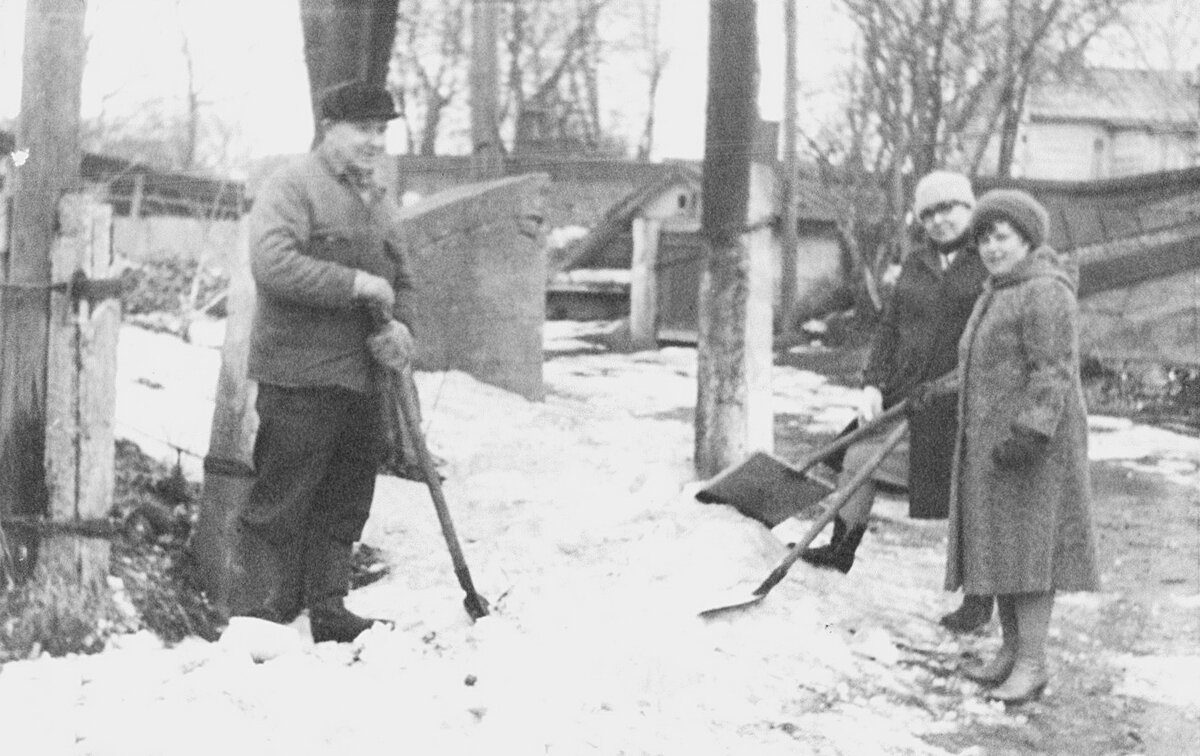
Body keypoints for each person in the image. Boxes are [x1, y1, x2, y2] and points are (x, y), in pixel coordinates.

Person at [228, 80, 418, 644]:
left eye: (381, 130)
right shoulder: (292, 187)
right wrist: (354, 283)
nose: (374, 141)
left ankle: (328, 608)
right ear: (327, 128)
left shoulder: (377, 198)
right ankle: (262, 612)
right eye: (363, 128)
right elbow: (273, 264)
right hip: (300, 374)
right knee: (284, 495)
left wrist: (404, 330)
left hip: (362, 377)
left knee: (346, 495)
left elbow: (402, 279)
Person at [800, 170, 994, 633]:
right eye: (928, 213)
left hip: (962, 403)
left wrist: (951, 386)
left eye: (948, 208)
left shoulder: (988, 261)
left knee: (972, 497)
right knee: (858, 453)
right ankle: (840, 549)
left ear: (969, 208)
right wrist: (872, 383)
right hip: (909, 393)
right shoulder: (916, 263)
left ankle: (980, 598)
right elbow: (890, 327)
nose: (939, 220)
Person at [926, 189, 1099, 703]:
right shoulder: (999, 289)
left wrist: (1031, 432)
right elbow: (985, 364)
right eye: (983, 240)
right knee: (999, 545)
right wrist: (937, 390)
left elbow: (1053, 370)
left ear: (1027, 238)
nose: (991, 249)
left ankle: (1032, 662)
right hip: (993, 444)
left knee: (1029, 551)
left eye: (1001, 238)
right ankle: (1009, 650)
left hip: (1033, 446)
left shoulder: (1046, 291)